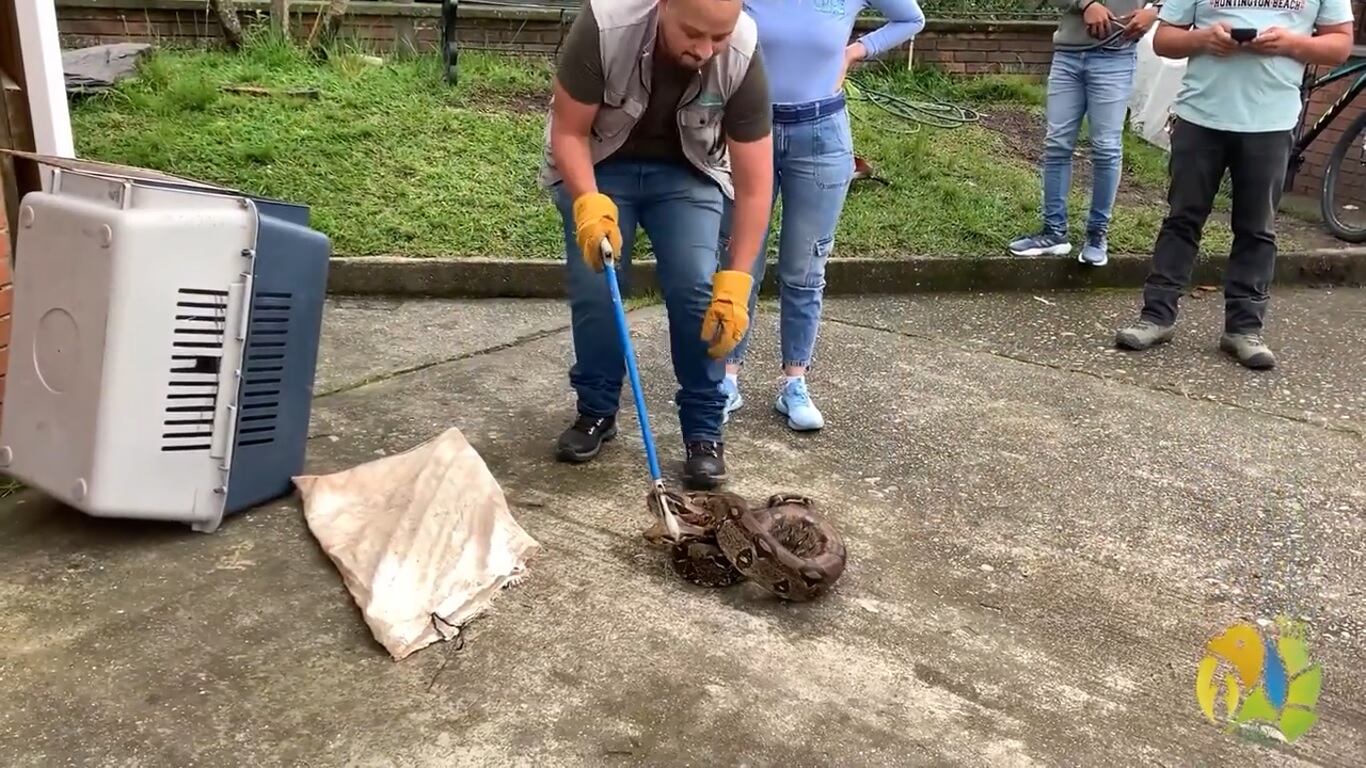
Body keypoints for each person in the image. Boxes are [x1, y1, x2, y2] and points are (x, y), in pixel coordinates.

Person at [539, 0, 775, 488]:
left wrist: (737, 280)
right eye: (692, 34)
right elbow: (568, 131)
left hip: (688, 172)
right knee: (597, 283)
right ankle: (597, 410)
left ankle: (703, 431)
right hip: (601, 162)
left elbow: (755, 186)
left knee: (697, 291)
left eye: (718, 37)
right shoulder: (606, 24)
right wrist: (588, 203)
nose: (705, 51)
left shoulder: (744, 49)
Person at [716, 0, 926, 432]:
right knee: (739, 260)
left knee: (805, 266)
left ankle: (795, 383)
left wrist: (855, 50)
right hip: (748, 128)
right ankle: (725, 377)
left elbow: (911, 18)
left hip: (822, 133)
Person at [1114, 0, 1354, 370]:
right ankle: (1156, 318)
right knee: (1182, 220)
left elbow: (1339, 46)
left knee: (1257, 229)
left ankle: (1244, 330)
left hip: (1271, 122)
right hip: (1200, 117)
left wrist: (1290, 43)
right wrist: (1204, 39)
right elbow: (1163, 40)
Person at [1008, 1, 1160, 267]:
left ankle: (1097, 235)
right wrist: (1086, 3)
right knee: (1056, 144)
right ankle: (1054, 233)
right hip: (1068, 55)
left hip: (1116, 56)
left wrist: (1156, 11)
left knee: (1106, 148)